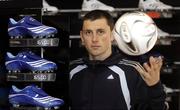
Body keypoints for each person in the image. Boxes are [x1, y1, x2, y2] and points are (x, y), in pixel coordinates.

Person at [69, 10, 166, 110]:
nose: (94, 39)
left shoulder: (132, 71)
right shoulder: (71, 71)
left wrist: (155, 88)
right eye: (88, 32)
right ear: (82, 36)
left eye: (100, 32)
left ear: (112, 35)